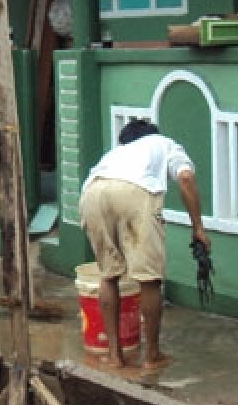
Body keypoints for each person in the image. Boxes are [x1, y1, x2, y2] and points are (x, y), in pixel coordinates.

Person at [80, 119, 209, 369]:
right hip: (135, 191)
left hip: (92, 192)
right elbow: (185, 179)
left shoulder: (115, 153)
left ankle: (115, 355)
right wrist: (198, 228)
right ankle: (152, 356)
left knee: (108, 275)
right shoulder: (165, 144)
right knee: (149, 279)